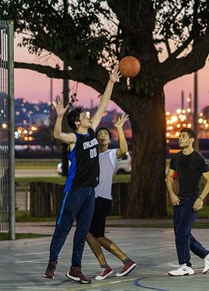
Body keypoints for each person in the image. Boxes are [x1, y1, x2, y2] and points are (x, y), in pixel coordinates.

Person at [43, 69, 119, 284]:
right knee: (63, 228)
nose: (88, 115)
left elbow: (103, 103)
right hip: (74, 191)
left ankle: (76, 268)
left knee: (82, 232)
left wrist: (111, 82)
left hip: (90, 192)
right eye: (84, 115)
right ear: (77, 122)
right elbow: (57, 134)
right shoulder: (74, 138)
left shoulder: (92, 131)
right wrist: (59, 117)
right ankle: (52, 262)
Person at [86, 114, 137, 280]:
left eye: (105, 134)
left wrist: (120, 128)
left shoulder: (111, 154)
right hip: (91, 199)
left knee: (90, 233)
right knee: (93, 234)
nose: (102, 136)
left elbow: (124, 149)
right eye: (99, 134)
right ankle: (119, 263)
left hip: (102, 199)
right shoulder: (91, 157)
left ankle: (114, 264)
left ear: (109, 139)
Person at [165, 128, 209, 276]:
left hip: (193, 200)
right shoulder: (176, 158)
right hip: (179, 199)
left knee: (182, 232)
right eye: (179, 137)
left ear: (191, 140)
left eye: (183, 137)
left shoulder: (199, 159)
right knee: (181, 233)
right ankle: (206, 255)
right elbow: (168, 178)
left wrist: (200, 199)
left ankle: (185, 265)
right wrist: (172, 195)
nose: (180, 139)